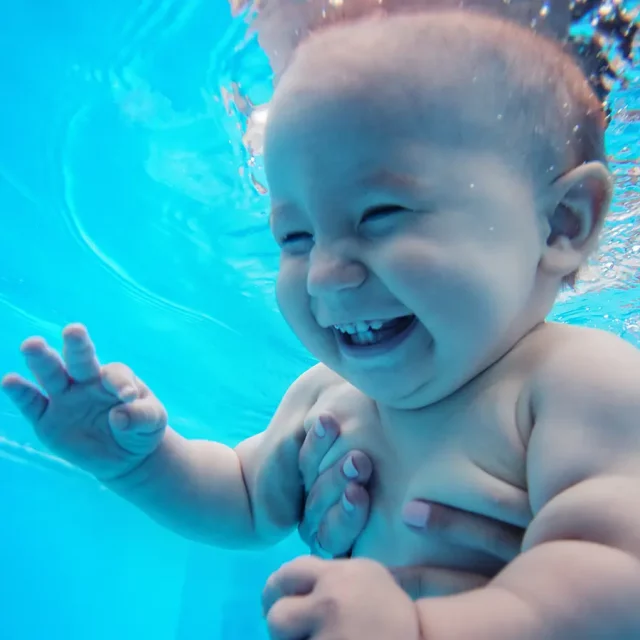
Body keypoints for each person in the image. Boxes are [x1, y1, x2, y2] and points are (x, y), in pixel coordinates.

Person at [4, 9, 640, 639]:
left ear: (563, 224)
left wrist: (419, 629)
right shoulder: (324, 396)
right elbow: (246, 499)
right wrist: (139, 465)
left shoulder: (576, 381)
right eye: (295, 234)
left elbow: (616, 571)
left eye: (380, 212)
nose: (324, 275)